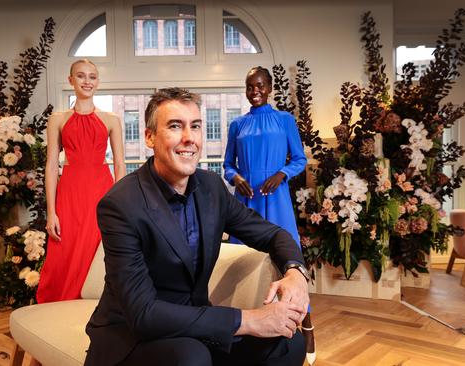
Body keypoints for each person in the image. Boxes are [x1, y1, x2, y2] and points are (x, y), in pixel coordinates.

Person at [85, 87, 309, 366]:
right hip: (131, 335)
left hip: (196, 325)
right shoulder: (120, 204)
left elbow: (274, 234)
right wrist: (249, 320)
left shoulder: (211, 187)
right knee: (192, 358)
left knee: (288, 345)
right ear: (149, 137)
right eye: (175, 126)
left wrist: (295, 272)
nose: (189, 138)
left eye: (196, 126)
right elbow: (143, 314)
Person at [223, 66, 315, 364]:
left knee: (288, 258)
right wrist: (236, 178)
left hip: (275, 198)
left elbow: (300, 159)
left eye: (260, 85)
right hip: (246, 200)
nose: (255, 91)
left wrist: (281, 174)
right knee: (242, 259)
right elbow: (227, 165)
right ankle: (244, 324)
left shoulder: (285, 120)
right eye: (250, 86)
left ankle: (306, 323)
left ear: (270, 86)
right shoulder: (237, 124)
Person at [36, 59, 125, 303]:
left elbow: (119, 165)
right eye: (81, 76)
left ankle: (98, 308)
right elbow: (52, 166)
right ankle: (57, 309)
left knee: (98, 249)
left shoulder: (110, 119)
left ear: (98, 82)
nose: (87, 81)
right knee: (63, 251)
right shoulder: (58, 119)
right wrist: (51, 212)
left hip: (102, 192)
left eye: (92, 77)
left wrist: (122, 207)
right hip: (70, 193)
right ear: (71, 80)